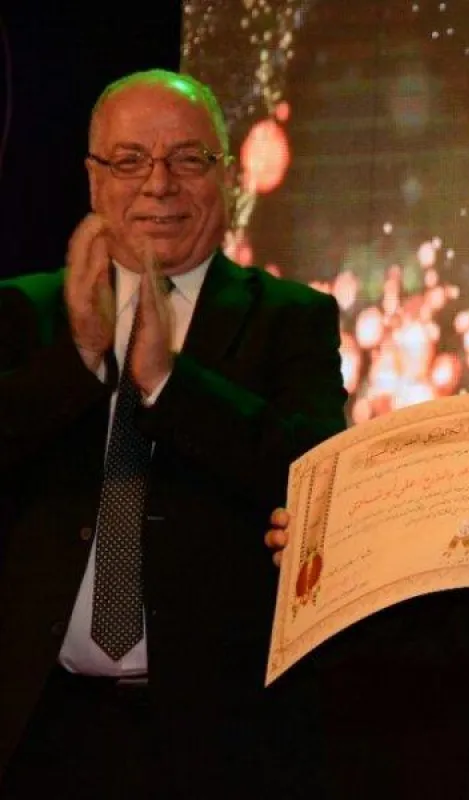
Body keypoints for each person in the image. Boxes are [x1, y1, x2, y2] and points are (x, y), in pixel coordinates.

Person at [0, 69, 347, 797]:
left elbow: (318, 479)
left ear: (226, 177)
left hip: (218, 740)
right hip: (37, 726)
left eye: (188, 159)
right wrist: (80, 357)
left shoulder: (291, 318)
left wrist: (166, 382)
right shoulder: (23, 312)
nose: (159, 185)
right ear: (94, 180)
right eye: (130, 160)